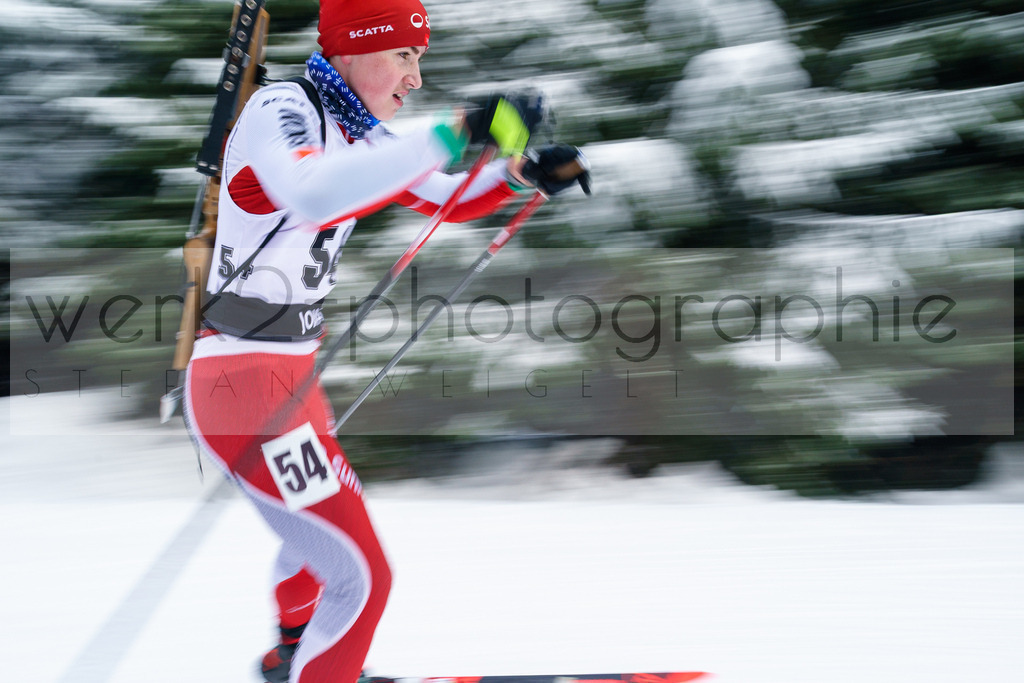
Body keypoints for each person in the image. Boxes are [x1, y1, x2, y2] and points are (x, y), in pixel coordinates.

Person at [182, 1, 590, 683]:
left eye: (419, 59)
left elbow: (442, 195)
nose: (415, 78)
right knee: (363, 575)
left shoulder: (359, 131)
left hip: (289, 382)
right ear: (357, 48)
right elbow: (312, 194)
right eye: (404, 55)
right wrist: (457, 130)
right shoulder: (283, 108)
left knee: (325, 544)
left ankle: (295, 655)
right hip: (241, 388)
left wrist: (522, 174)